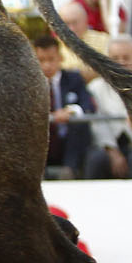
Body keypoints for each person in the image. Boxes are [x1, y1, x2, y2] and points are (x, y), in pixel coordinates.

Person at [84, 36, 132, 179]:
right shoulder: (95, 88)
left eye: (126, 57)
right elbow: (97, 123)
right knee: (96, 159)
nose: (121, 62)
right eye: (115, 58)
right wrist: (112, 151)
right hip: (107, 146)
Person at [32, 33, 93, 179]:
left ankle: (69, 170)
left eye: (51, 59)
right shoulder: (28, 85)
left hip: (69, 140)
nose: (47, 65)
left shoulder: (74, 79)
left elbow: (89, 105)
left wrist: (71, 111)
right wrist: (51, 117)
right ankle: (39, 175)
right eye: (41, 60)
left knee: (80, 124)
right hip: (43, 142)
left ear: (61, 58)